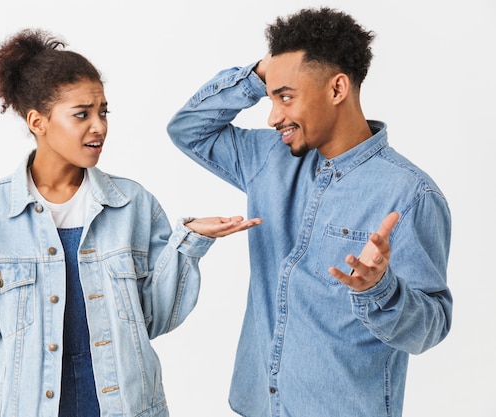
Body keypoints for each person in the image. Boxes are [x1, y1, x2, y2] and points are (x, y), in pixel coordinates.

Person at [0, 28, 261, 417]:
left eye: (103, 112)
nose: (99, 126)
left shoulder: (132, 204)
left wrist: (189, 243)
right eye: (81, 114)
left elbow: (154, 320)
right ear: (37, 121)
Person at [167, 7, 452, 417]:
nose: (272, 116)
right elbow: (188, 129)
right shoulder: (269, 158)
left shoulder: (409, 194)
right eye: (270, 96)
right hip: (255, 405)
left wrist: (379, 289)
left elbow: (428, 331)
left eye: (285, 96)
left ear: (337, 89)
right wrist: (260, 74)